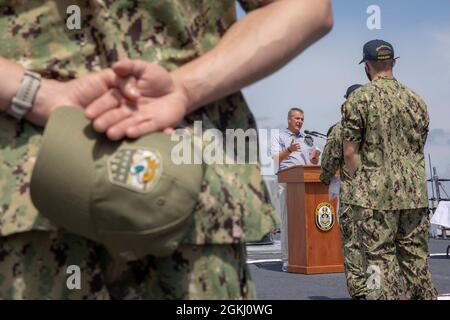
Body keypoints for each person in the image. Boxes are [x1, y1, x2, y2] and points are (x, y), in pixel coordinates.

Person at [0, 0, 333, 299]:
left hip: (32, 181)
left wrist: (35, 95)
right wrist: (185, 88)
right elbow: (307, 8)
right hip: (190, 193)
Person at [341, 39, 437, 300]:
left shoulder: (359, 100)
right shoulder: (416, 100)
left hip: (375, 197)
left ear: (367, 66)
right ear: (393, 62)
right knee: (415, 260)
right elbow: (417, 146)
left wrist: (361, 183)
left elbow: (350, 153)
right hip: (414, 195)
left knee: (376, 261)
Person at [320, 84, 367, 299]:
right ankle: (377, 289)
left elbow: (329, 160)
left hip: (353, 198)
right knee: (378, 249)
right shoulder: (381, 124)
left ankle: (360, 294)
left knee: (353, 246)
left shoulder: (341, 128)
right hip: (387, 198)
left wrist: (325, 178)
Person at [272, 107, 321, 272]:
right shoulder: (279, 136)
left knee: (306, 222)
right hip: (287, 183)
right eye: (297, 118)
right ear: (289, 120)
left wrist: (314, 159)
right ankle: (287, 259)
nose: (300, 121)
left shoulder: (307, 138)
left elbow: (311, 163)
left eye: (302, 119)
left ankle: (306, 257)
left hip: (305, 183)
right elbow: (275, 158)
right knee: (288, 222)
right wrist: (289, 150)